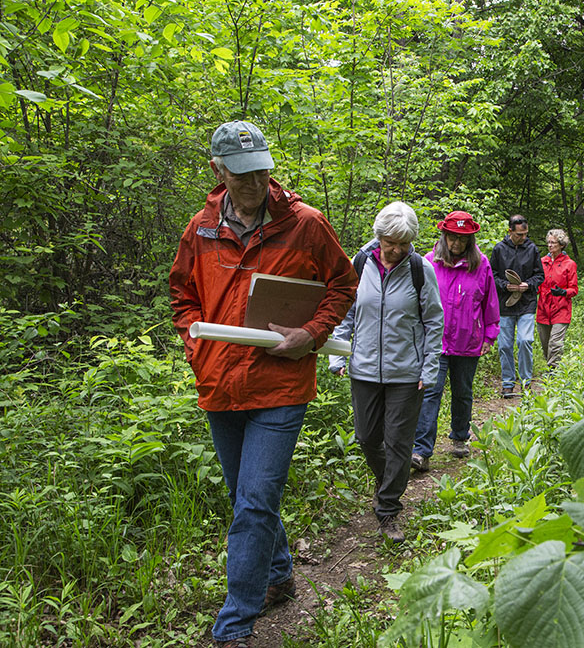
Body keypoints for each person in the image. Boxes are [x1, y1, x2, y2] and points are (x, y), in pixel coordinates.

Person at [169, 120, 358, 648]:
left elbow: (343, 284)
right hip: (220, 384)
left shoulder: (306, 224)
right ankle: (278, 575)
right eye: (243, 175)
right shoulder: (200, 229)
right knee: (244, 497)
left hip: (281, 385)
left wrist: (313, 332)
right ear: (218, 170)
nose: (255, 184)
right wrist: (195, 343)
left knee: (255, 500)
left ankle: (234, 625)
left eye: (262, 172)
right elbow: (183, 296)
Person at [329, 202, 444, 544]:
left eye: (403, 243)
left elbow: (434, 321)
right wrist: (337, 352)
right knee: (366, 437)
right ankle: (389, 481)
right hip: (363, 368)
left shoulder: (421, 270)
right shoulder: (359, 263)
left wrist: (430, 367)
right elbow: (346, 311)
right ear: (378, 236)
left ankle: (389, 509)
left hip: (407, 373)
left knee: (398, 442)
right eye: (390, 241)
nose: (395, 249)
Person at [411, 211, 500, 472]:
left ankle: (460, 436)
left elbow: (489, 302)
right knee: (429, 393)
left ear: (470, 240)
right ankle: (421, 451)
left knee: (463, 393)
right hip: (434, 343)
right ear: (444, 235)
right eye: (451, 237)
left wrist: (490, 334)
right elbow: (416, 302)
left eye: (462, 239)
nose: (456, 244)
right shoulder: (428, 263)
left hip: (467, 341)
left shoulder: (481, 264)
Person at [490, 214, 544, 398]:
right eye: (520, 234)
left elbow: (540, 276)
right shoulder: (499, 249)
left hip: (526, 302)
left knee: (525, 341)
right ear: (510, 231)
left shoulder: (532, 249)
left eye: (525, 234)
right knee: (504, 345)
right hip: (504, 304)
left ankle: (526, 382)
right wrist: (505, 285)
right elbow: (492, 276)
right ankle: (507, 383)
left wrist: (527, 285)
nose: (523, 238)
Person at [536, 228, 578, 369]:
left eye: (553, 243)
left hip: (561, 309)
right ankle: (553, 366)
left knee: (555, 343)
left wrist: (563, 292)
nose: (550, 245)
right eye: (548, 242)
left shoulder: (569, 264)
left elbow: (574, 289)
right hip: (543, 308)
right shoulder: (542, 262)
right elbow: (536, 283)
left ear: (561, 244)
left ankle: (553, 372)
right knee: (545, 343)